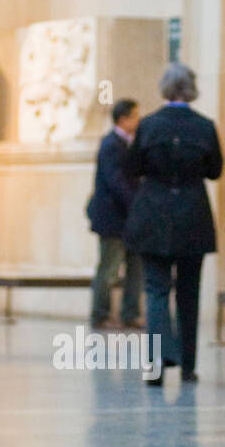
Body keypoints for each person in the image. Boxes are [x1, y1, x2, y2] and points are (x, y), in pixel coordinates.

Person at [123, 63, 222, 386]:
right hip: (193, 214)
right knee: (189, 293)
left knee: (155, 290)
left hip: (153, 213)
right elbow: (215, 170)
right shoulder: (205, 126)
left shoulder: (148, 125)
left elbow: (132, 166)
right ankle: (189, 365)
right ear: (191, 89)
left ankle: (156, 364)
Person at [86, 98, 143, 330]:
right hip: (113, 219)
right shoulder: (110, 144)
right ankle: (100, 315)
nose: (139, 120)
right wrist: (137, 203)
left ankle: (130, 313)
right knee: (109, 269)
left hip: (130, 219)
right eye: (135, 116)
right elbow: (116, 182)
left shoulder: (130, 144)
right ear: (123, 119)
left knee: (135, 267)